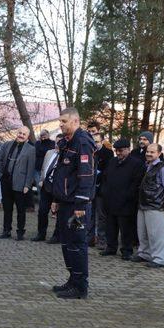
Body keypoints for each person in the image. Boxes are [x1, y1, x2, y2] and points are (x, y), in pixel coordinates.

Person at [50, 107, 95, 299]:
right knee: (67, 243)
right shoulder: (66, 143)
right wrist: (56, 199)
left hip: (78, 207)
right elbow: (61, 173)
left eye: (64, 121)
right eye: (60, 121)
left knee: (77, 243)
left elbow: (86, 176)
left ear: (75, 121)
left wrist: (80, 206)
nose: (61, 124)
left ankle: (80, 287)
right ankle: (72, 279)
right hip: (65, 203)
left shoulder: (82, 143)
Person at [100, 138, 145, 260]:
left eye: (120, 150)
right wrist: (105, 193)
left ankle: (126, 250)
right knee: (111, 226)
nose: (118, 153)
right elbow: (105, 177)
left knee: (126, 228)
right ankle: (111, 247)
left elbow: (136, 183)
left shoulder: (136, 164)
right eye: (116, 151)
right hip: (111, 200)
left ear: (128, 150)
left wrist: (127, 196)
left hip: (126, 202)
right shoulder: (113, 161)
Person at [131, 143, 164, 267]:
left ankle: (159, 259)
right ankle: (144, 253)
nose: (148, 154)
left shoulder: (162, 169)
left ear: (159, 154)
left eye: (152, 152)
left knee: (157, 234)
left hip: (156, 205)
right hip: (143, 204)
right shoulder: (147, 166)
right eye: (148, 151)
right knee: (142, 232)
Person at [0, 126, 36, 240]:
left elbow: (30, 169)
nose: (21, 135)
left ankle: (20, 232)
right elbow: (0, 160)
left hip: (20, 184)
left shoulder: (30, 149)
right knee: (7, 209)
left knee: (20, 210)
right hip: (6, 182)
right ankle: (6, 231)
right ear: (16, 133)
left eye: (24, 134)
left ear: (27, 136)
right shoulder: (7, 145)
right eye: (20, 133)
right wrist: (0, 175)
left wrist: (27, 185)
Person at [32, 133, 62, 242]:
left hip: (58, 188)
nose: (57, 144)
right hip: (46, 186)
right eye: (56, 142)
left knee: (58, 212)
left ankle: (56, 236)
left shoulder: (66, 155)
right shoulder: (49, 153)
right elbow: (44, 167)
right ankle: (41, 234)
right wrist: (41, 180)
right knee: (42, 211)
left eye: (60, 142)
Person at [88, 132, 113, 247]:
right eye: (93, 142)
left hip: (101, 188)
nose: (95, 144)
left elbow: (108, 172)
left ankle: (102, 240)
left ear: (102, 141)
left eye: (97, 142)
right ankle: (90, 238)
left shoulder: (108, 153)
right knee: (90, 214)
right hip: (90, 188)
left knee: (101, 216)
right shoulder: (89, 152)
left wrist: (97, 174)